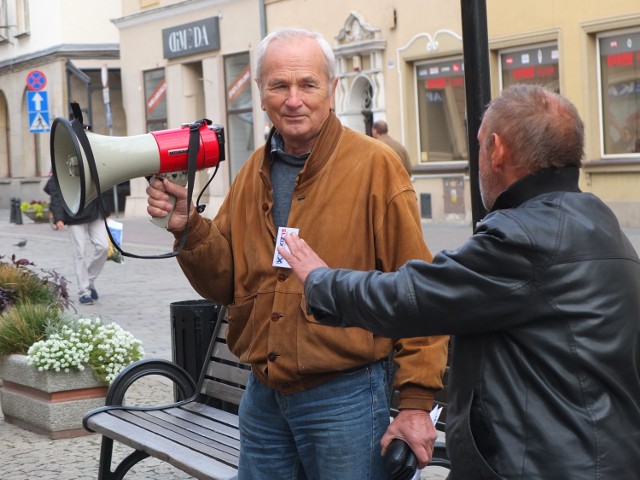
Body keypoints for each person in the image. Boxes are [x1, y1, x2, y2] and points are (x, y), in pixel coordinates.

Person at [280, 84, 640, 479]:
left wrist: (318, 279)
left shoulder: (524, 237)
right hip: (603, 455)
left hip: (543, 465)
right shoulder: (598, 220)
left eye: (481, 144)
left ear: (498, 149)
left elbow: (411, 297)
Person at [146, 27, 449, 479]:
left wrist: (417, 404)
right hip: (263, 397)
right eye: (279, 85)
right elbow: (225, 283)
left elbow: (415, 289)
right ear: (261, 94)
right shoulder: (255, 170)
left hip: (345, 396)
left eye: (307, 84)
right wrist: (189, 227)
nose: (293, 99)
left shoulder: (375, 166)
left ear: (332, 90)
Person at [45, 175, 109, 305]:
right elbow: (55, 192)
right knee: (79, 253)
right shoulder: (62, 163)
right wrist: (58, 217)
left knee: (104, 247)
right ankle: (84, 291)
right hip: (74, 215)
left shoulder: (91, 161)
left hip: (95, 212)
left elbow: (102, 184)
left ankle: (89, 281)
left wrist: (106, 211)